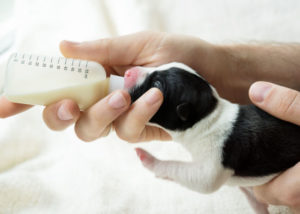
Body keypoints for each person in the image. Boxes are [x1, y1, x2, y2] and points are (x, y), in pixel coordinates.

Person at [1, 31, 300, 212]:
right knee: (248, 183)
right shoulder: (214, 121)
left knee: (247, 179)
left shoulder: (220, 143)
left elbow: (209, 180)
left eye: (155, 79)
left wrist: (160, 167)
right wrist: (228, 65)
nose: (133, 72)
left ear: (182, 112)